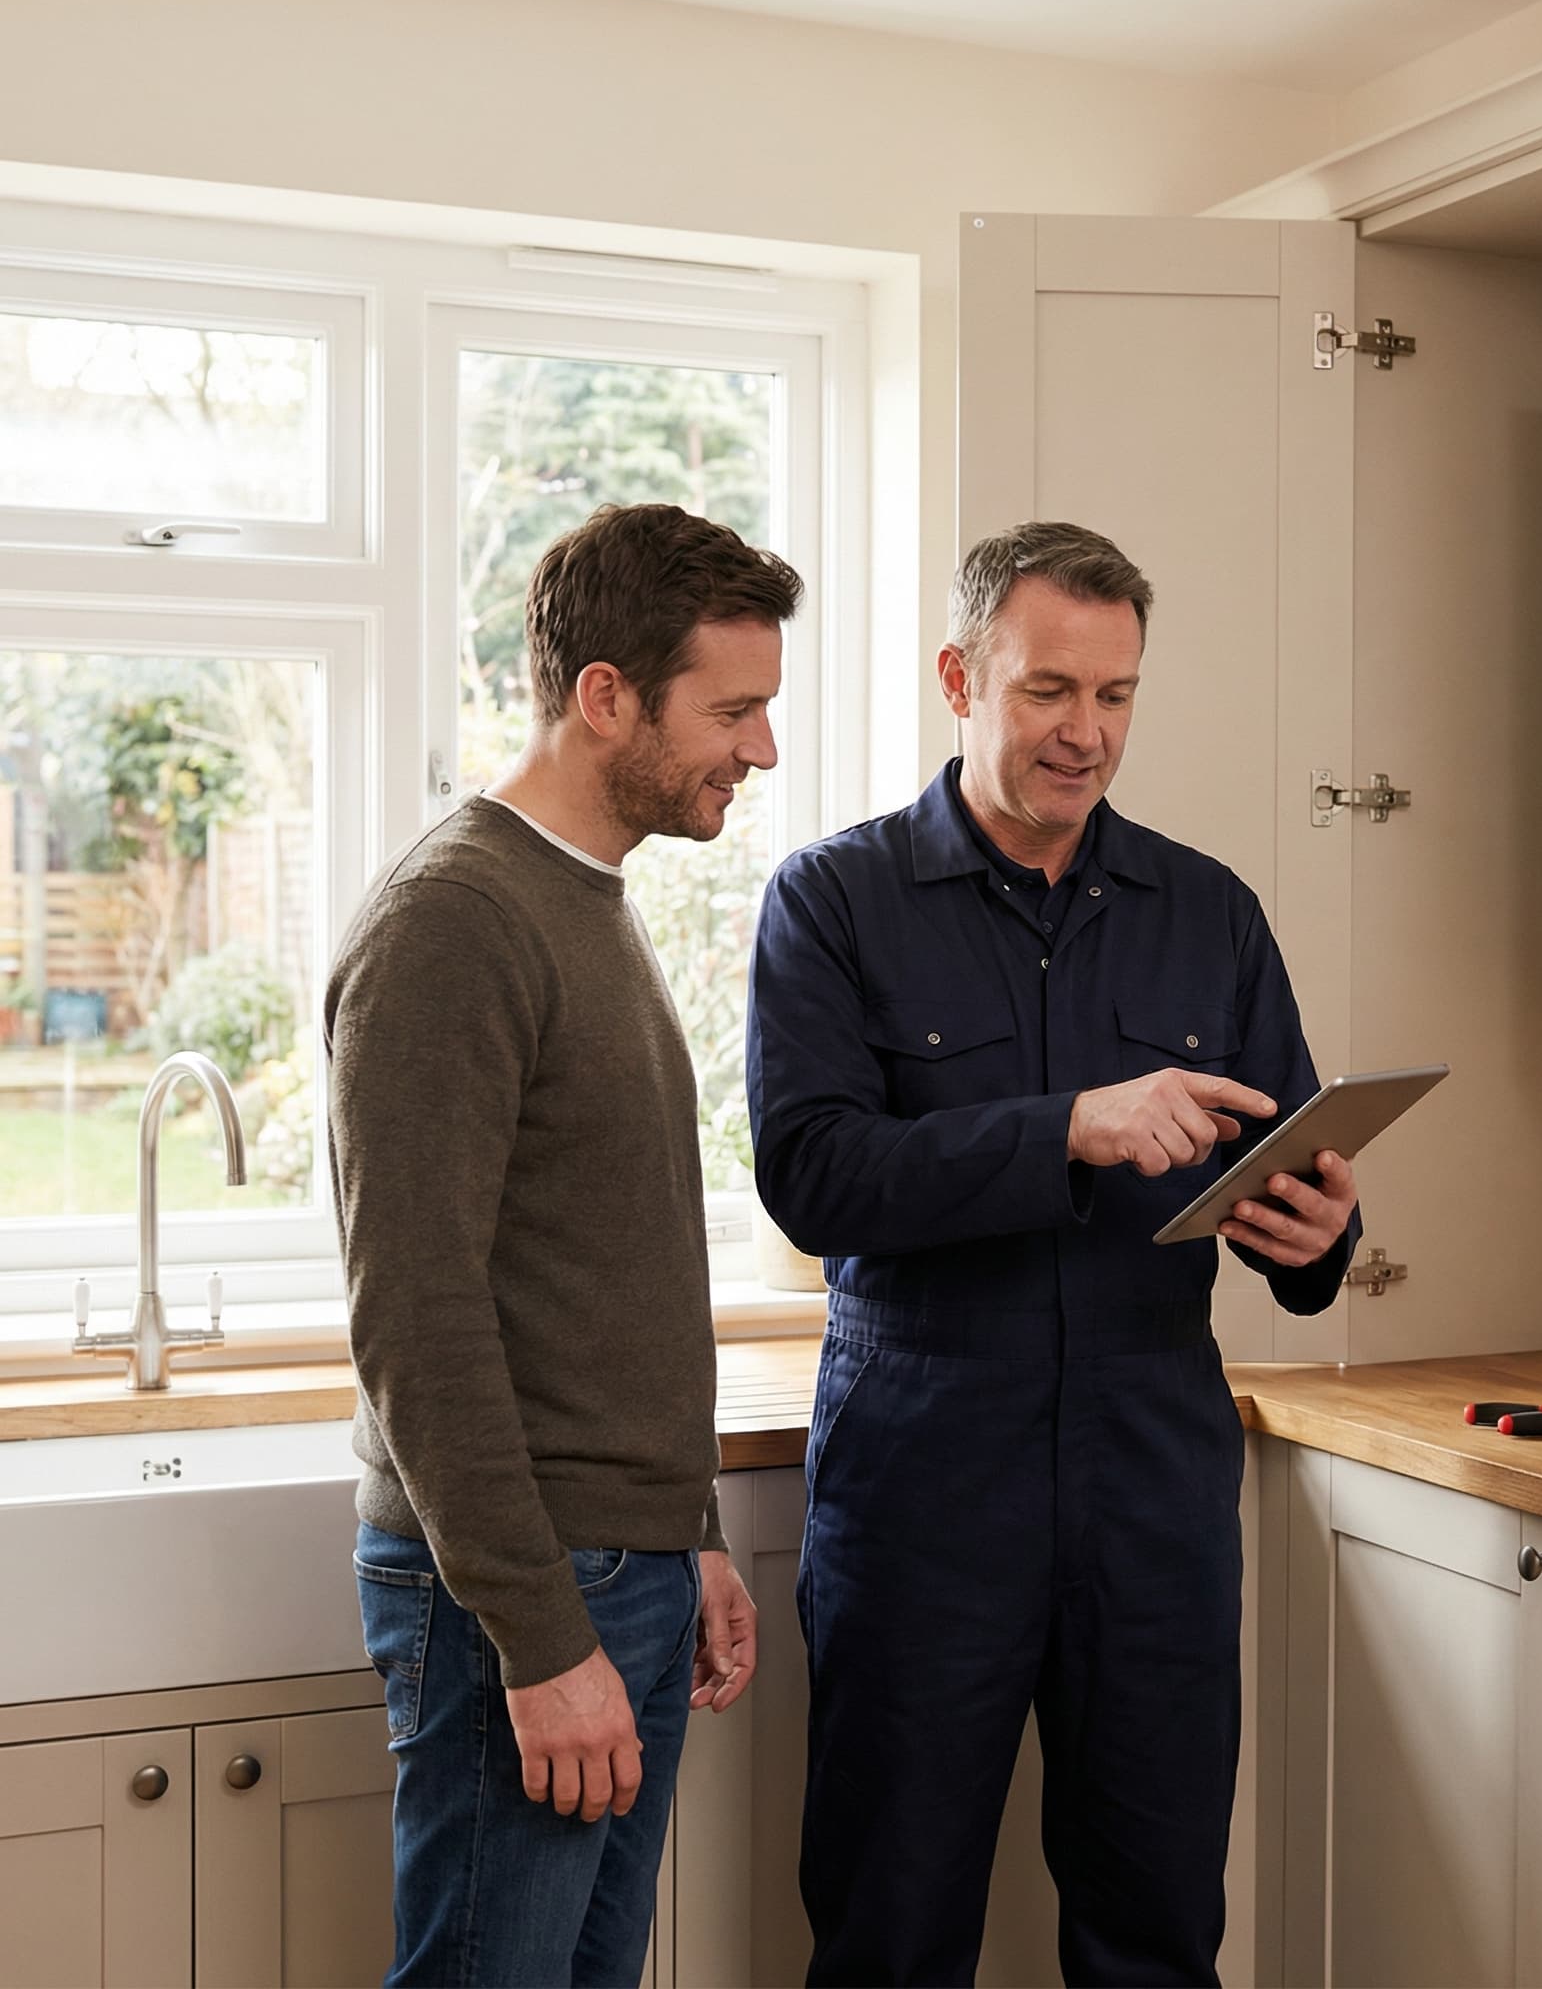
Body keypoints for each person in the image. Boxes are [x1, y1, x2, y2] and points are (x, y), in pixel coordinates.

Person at [746, 520, 1362, 1987]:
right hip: (924, 1471)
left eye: (1116, 694)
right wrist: (1068, 1129)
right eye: (1048, 691)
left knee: (1158, 1925)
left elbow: (1287, 1163)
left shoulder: (1209, 912)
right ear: (962, 678)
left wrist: (1319, 1240)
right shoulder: (832, 902)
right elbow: (812, 1177)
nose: (1086, 732)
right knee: (892, 1931)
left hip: (1154, 1471)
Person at [328, 502, 795, 1987]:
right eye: (732, 710)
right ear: (606, 696)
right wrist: (540, 1636)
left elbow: (602, 1273)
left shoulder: (582, 898)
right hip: (525, 1592)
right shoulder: (454, 922)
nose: (761, 748)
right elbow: (417, 1321)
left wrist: (688, 1533)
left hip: (619, 1566)